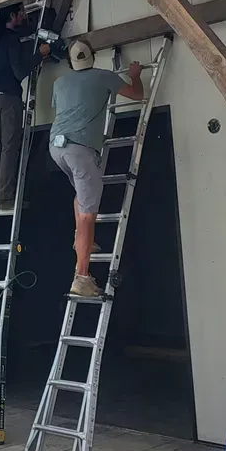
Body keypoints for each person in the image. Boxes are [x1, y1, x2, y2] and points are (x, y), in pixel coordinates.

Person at [49, 38, 143, 297]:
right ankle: (81, 276)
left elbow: (63, 109)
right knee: (90, 215)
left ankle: (82, 240)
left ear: (70, 61)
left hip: (57, 147)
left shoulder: (60, 83)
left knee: (81, 198)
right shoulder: (104, 77)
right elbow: (137, 95)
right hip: (80, 150)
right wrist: (135, 75)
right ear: (93, 55)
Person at [0, 2, 51, 212]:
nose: (24, 15)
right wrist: (40, 53)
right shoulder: (12, 39)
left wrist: (30, 28)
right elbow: (19, 71)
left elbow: (15, 34)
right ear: (12, 15)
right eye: (21, 13)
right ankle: (5, 197)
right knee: (9, 146)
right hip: (8, 97)